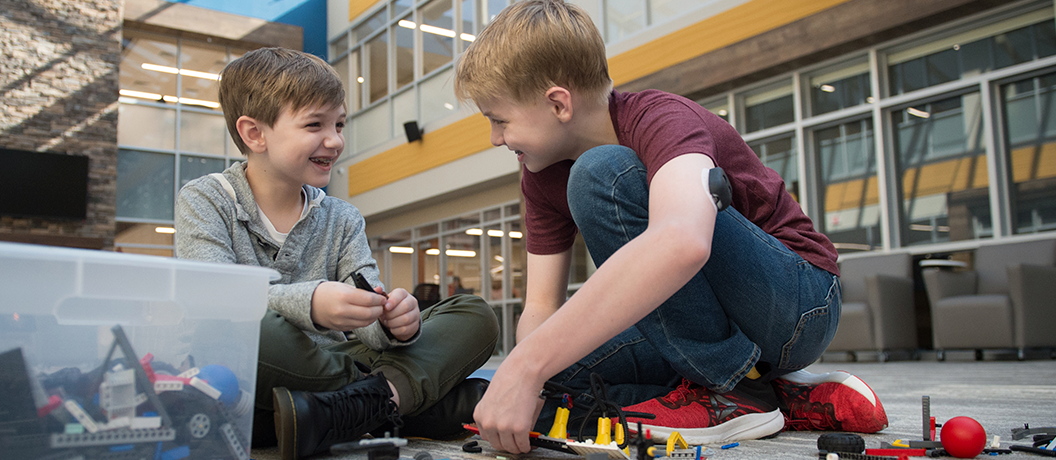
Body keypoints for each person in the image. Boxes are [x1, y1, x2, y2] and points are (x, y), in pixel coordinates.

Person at [452, 0, 888, 452]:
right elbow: (542, 306)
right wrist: (531, 377)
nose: (495, 139)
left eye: (499, 120)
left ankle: (734, 391)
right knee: (560, 371)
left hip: (799, 305)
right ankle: (774, 392)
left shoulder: (662, 119)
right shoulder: (539, 175)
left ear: (558, 103)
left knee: (602, 173)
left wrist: (525, 367)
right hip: (710, 331)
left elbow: (682, 242)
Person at [175, 47, 499, 460]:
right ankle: (394, 399)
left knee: (475, 315)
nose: (335, 140)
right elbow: (212, 296)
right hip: (247, 375)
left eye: (340, 124)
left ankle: (349, 408)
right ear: (254, 133)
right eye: (315, 125)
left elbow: (367, 313)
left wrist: (393, 322)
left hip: (334, 362)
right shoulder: (205, 199)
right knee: (239, 324)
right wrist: (311, 303)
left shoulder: (342, 217)